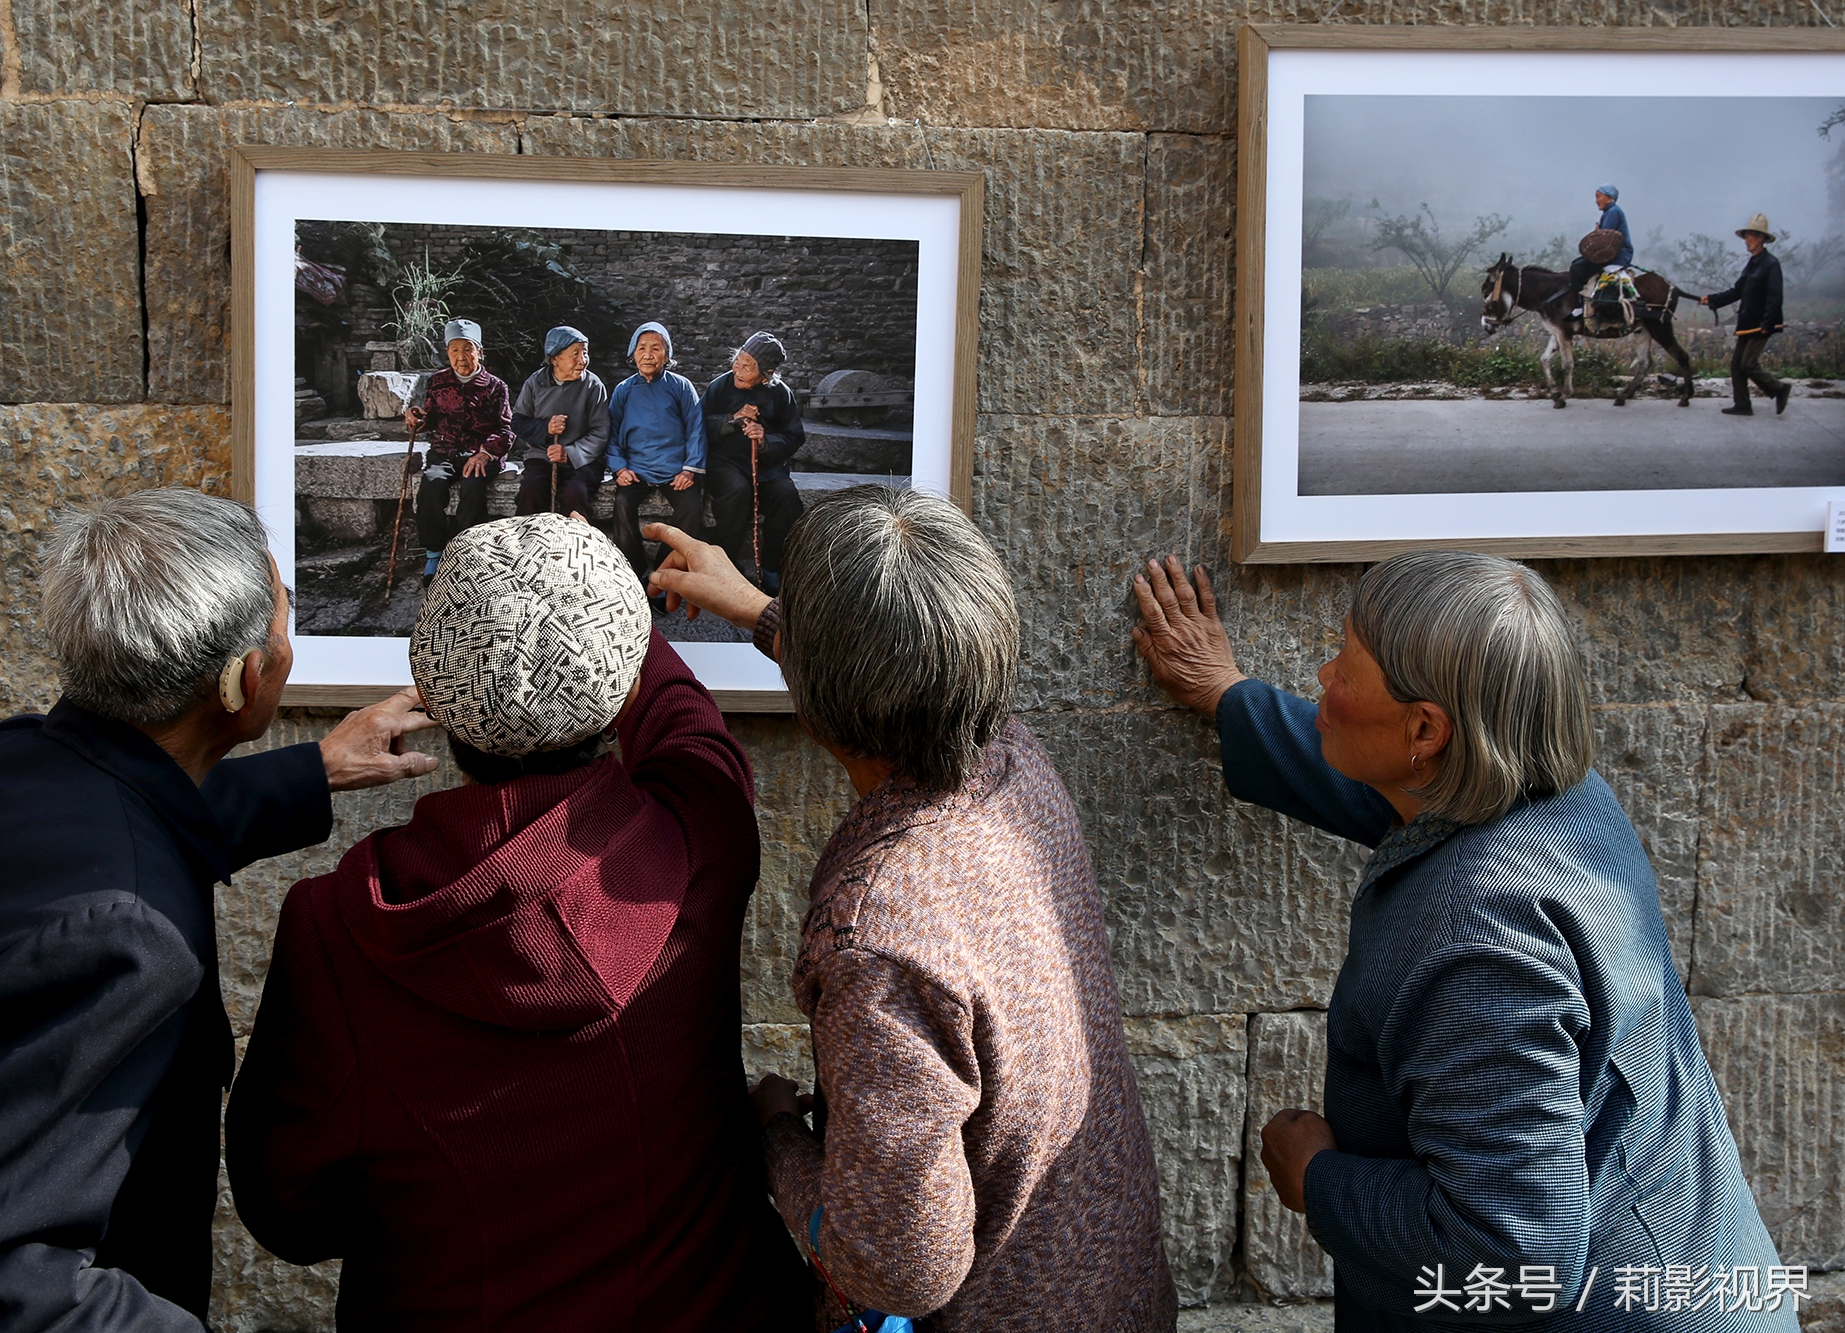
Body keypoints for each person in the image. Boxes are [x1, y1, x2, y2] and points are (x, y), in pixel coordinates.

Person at [1130, 549, 1797, 1332]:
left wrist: (1317, 1180)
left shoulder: (1479, 938)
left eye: (1346, 660)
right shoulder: (1559, 796)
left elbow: (1518, 1255)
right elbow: (1401, 788)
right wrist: (1229, 697)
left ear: (1424, 726)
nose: (1323, 674)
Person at [0, 488, 437, 1330]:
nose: (286, 634)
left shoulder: (2, 761)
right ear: (240, 681)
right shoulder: (124, 934)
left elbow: (133, 818)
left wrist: (317, 770)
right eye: (284, 612)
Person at [225, 513, 807, 1331]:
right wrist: (588, 576)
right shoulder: (702, 832)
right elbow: (682, 720)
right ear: (613, 700)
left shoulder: (334, 930)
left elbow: (287, 1210)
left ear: (432, 691)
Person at [643, 489, 1176, 1331]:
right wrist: (757, 606)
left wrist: (778, 1135)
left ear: (817, 707)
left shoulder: (879, 938)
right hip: (1109, 1285)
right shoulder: (1008, 753)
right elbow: (905, 673)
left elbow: (901, 1267)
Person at [404, 318, 514, 585]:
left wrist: (486, 453)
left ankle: (468, 554)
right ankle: (435, 553)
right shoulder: (438, 382)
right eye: (454, 350)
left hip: (481, 453)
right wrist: (417, 417)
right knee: (430, 488)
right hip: (444, 451)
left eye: (468, 349)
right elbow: (429, 420)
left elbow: (507, 431)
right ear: (447, 353)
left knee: (472, 488)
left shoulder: (496, 387)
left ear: (479, 352)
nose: (461, 356)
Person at [700, 333, 804, 590]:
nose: (737, 369)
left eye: (746, 366)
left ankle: (771, 569)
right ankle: (725, 567)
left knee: (786, 495)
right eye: (737, 361)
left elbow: (794, 436)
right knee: (736, 491)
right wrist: (731, 419)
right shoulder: (720, 386)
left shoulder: (781, 394)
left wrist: (765, 440)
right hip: (725, 463)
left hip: (767, 469)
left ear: (766, 374)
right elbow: (697, 425)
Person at [608, 321, 707, 588]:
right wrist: (620, 468)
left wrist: (689, 469)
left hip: (675, 469)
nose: (648, 354)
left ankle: (664, 571)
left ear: (667, 355)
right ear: (633, 354)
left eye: (656, 348)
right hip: (637, 468)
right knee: (623, 504)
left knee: (690, 508)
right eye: (642, 348)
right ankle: (634, 570)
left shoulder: (681, 387)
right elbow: (613, 433)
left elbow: (696, 429)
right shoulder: (624, 390)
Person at [510, 324, 611, 517]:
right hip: (542, 456)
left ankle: (573, 544)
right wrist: (546, 428)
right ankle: (529, 543)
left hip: (583, 460)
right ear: (555, 358)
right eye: (575, 354)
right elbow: (518, 422)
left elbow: (601, 431)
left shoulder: (593, 385)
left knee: (576, 493)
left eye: (585, 353)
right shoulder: (535, 382)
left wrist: (570, 453)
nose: (583, 361)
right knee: (531, 491)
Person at [1701, 215, 1790, 417]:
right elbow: (1737, 291)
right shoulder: (1752, 264)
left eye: (1750, 236)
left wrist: (1768, 322)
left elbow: (1775, 297)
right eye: (1746, 236)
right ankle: (1743, 405)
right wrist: (1712, 299)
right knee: (1736, 366)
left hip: (1762, 323)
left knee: (1748, 364)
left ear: (1760, 238)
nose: (1746, 240)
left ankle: (1778, 388)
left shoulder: (1770, 264)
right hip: (1747, 322)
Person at [1566, 183, 1635, 316]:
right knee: (1577, 264)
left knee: (1576, 268)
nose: (1596, 200)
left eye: (1598, 196)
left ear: (1609, 197)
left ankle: (1579, 306)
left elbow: (1605, 238)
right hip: (1612, 254)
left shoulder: (1613, 212)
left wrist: (1599, 232)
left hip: (1616, 256)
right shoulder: (1610, 212)